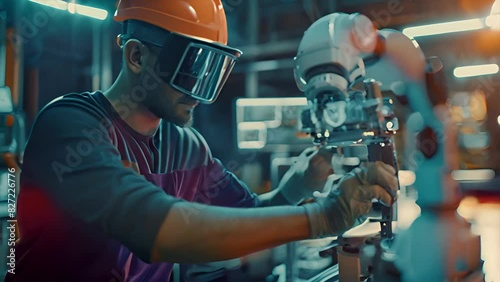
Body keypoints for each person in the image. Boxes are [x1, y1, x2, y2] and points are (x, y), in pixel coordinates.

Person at [5, 1, 398, 281]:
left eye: (213, 69)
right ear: (137, 56)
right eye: (191, 67)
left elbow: (245, 222)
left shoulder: (187, 145)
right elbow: (155, 229)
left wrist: (294, 188)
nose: (200, 90)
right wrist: (321, 217)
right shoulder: (70, 128)